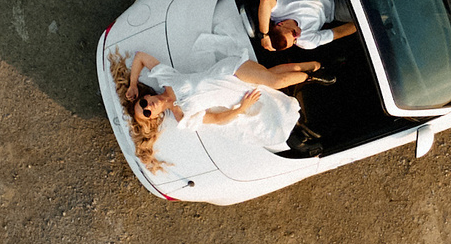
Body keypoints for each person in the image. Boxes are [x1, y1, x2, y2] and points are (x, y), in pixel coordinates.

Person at [108, 47, 318, 172]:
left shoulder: (166, 79)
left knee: (274, 80)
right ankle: (315, 68)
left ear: (146, 96)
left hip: (229, 71)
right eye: (146, 113)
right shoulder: (183, 118)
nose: (147, 107)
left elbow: (140, 57)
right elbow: (216, 119)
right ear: (154, 117)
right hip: (237, 91)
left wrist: (133, 84)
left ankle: (315, 75)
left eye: (143, 104)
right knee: (272, 76)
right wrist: (242, 108)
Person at [255, 0, 359, 54]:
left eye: (293, 34)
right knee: (363, 10)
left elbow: (266, 0)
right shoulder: (306, 41)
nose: (298, 36)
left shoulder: (276, 12)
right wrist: (362, 22)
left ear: (280, 24)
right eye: (295, 41)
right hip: (335, 7)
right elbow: (338, 32)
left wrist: (264, 34)